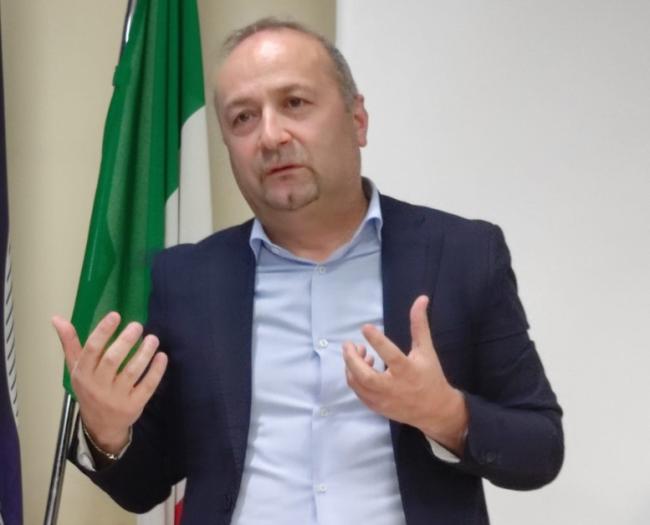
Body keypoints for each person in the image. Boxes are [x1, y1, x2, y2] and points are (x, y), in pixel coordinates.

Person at [53, 18, 563, 525]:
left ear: (357, 119)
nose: (271, 136)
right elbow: (146, 486)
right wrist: (108, 431)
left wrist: (445, 413)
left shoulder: (463, 254)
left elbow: (540, 448)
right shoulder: (187, 279)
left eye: (295, 103)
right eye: (243, 118)